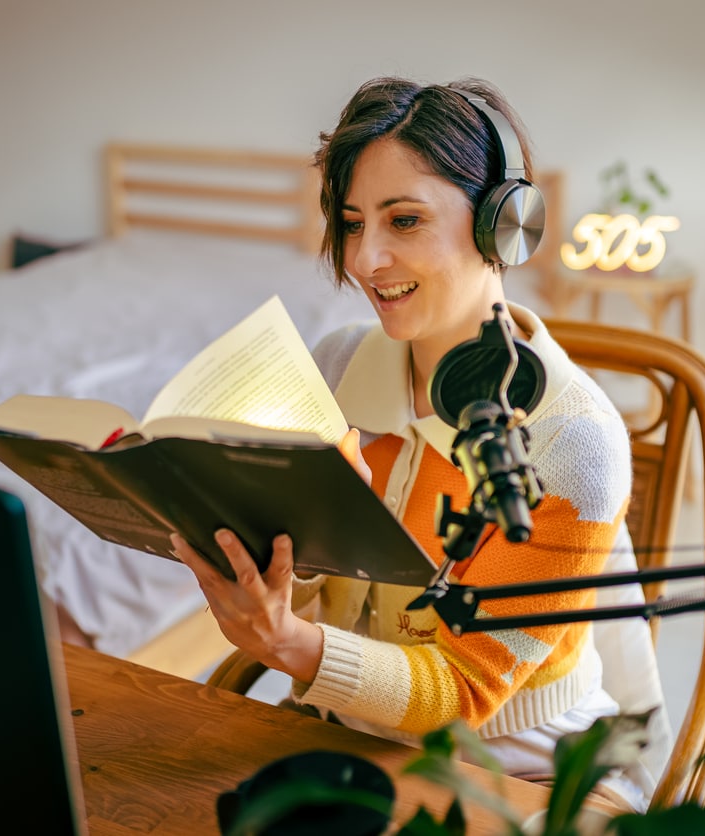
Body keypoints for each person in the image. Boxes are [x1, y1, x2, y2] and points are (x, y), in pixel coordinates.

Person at [172, 76, 651, 821]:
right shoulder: (334, 366)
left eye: (403, 220)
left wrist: (294, 646)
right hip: (352, 738)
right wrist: (276, 582)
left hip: (529, 773)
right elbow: (311, 592)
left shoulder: (572, 439)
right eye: (353, 223)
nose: (365, 261)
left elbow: (463, 688)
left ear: (503, 225)